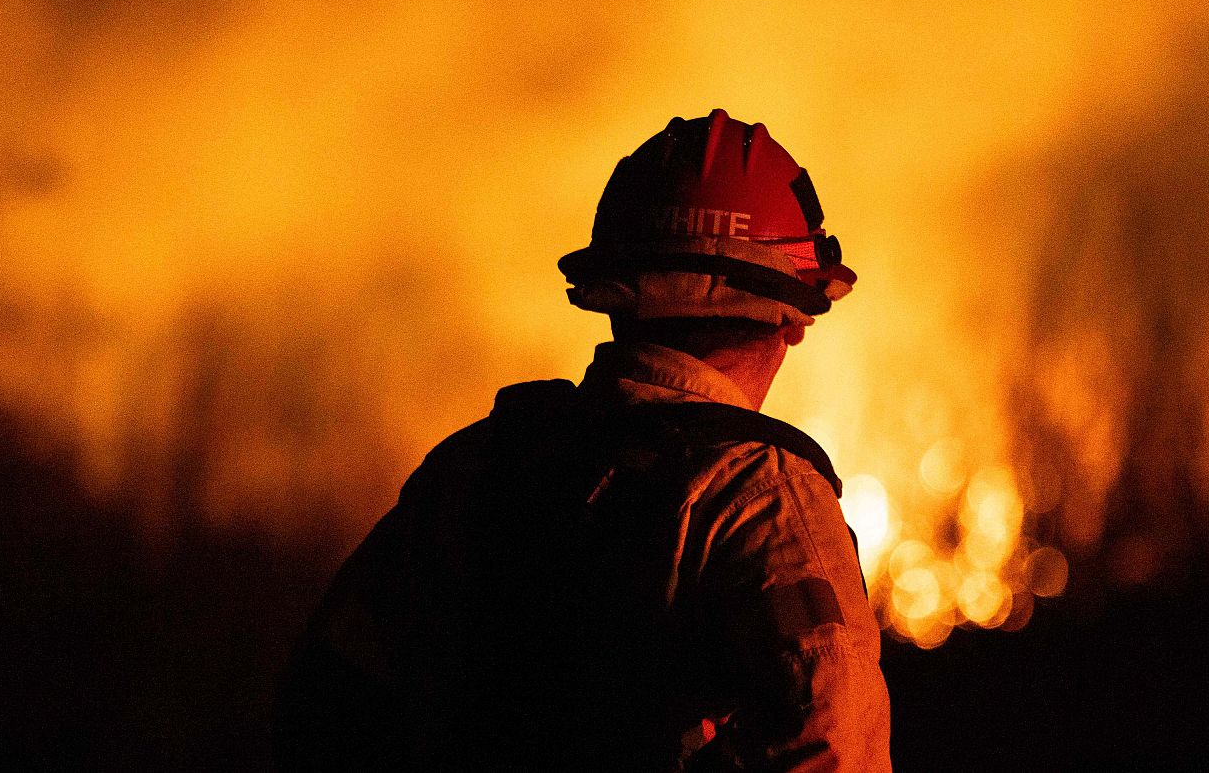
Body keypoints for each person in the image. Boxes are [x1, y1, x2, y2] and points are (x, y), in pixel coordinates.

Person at [275, 110, 891, 770]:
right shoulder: (761, 495)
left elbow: (325, 700)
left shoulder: (476, 465)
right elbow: (834, 745)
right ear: (791, 317)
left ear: (617, 295)